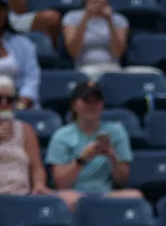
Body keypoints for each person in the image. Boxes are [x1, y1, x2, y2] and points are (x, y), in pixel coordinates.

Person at [45, 81, 142, 210]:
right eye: (86, 100)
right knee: (65, 199)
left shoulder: (117, 131)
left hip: (106, 193)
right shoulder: (62, 135)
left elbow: (122, 180)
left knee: (135, 196)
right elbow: (60, 182)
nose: (92, 105)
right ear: (74, 104)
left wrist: (112, 157)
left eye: (97, 100)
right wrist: (82, 159)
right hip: (74, 193)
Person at [0, 76, 51, 208]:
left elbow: (36, 167)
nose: (4, 103)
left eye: (10, 99)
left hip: (22, 196)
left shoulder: (25, 129)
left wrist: (39, 184)